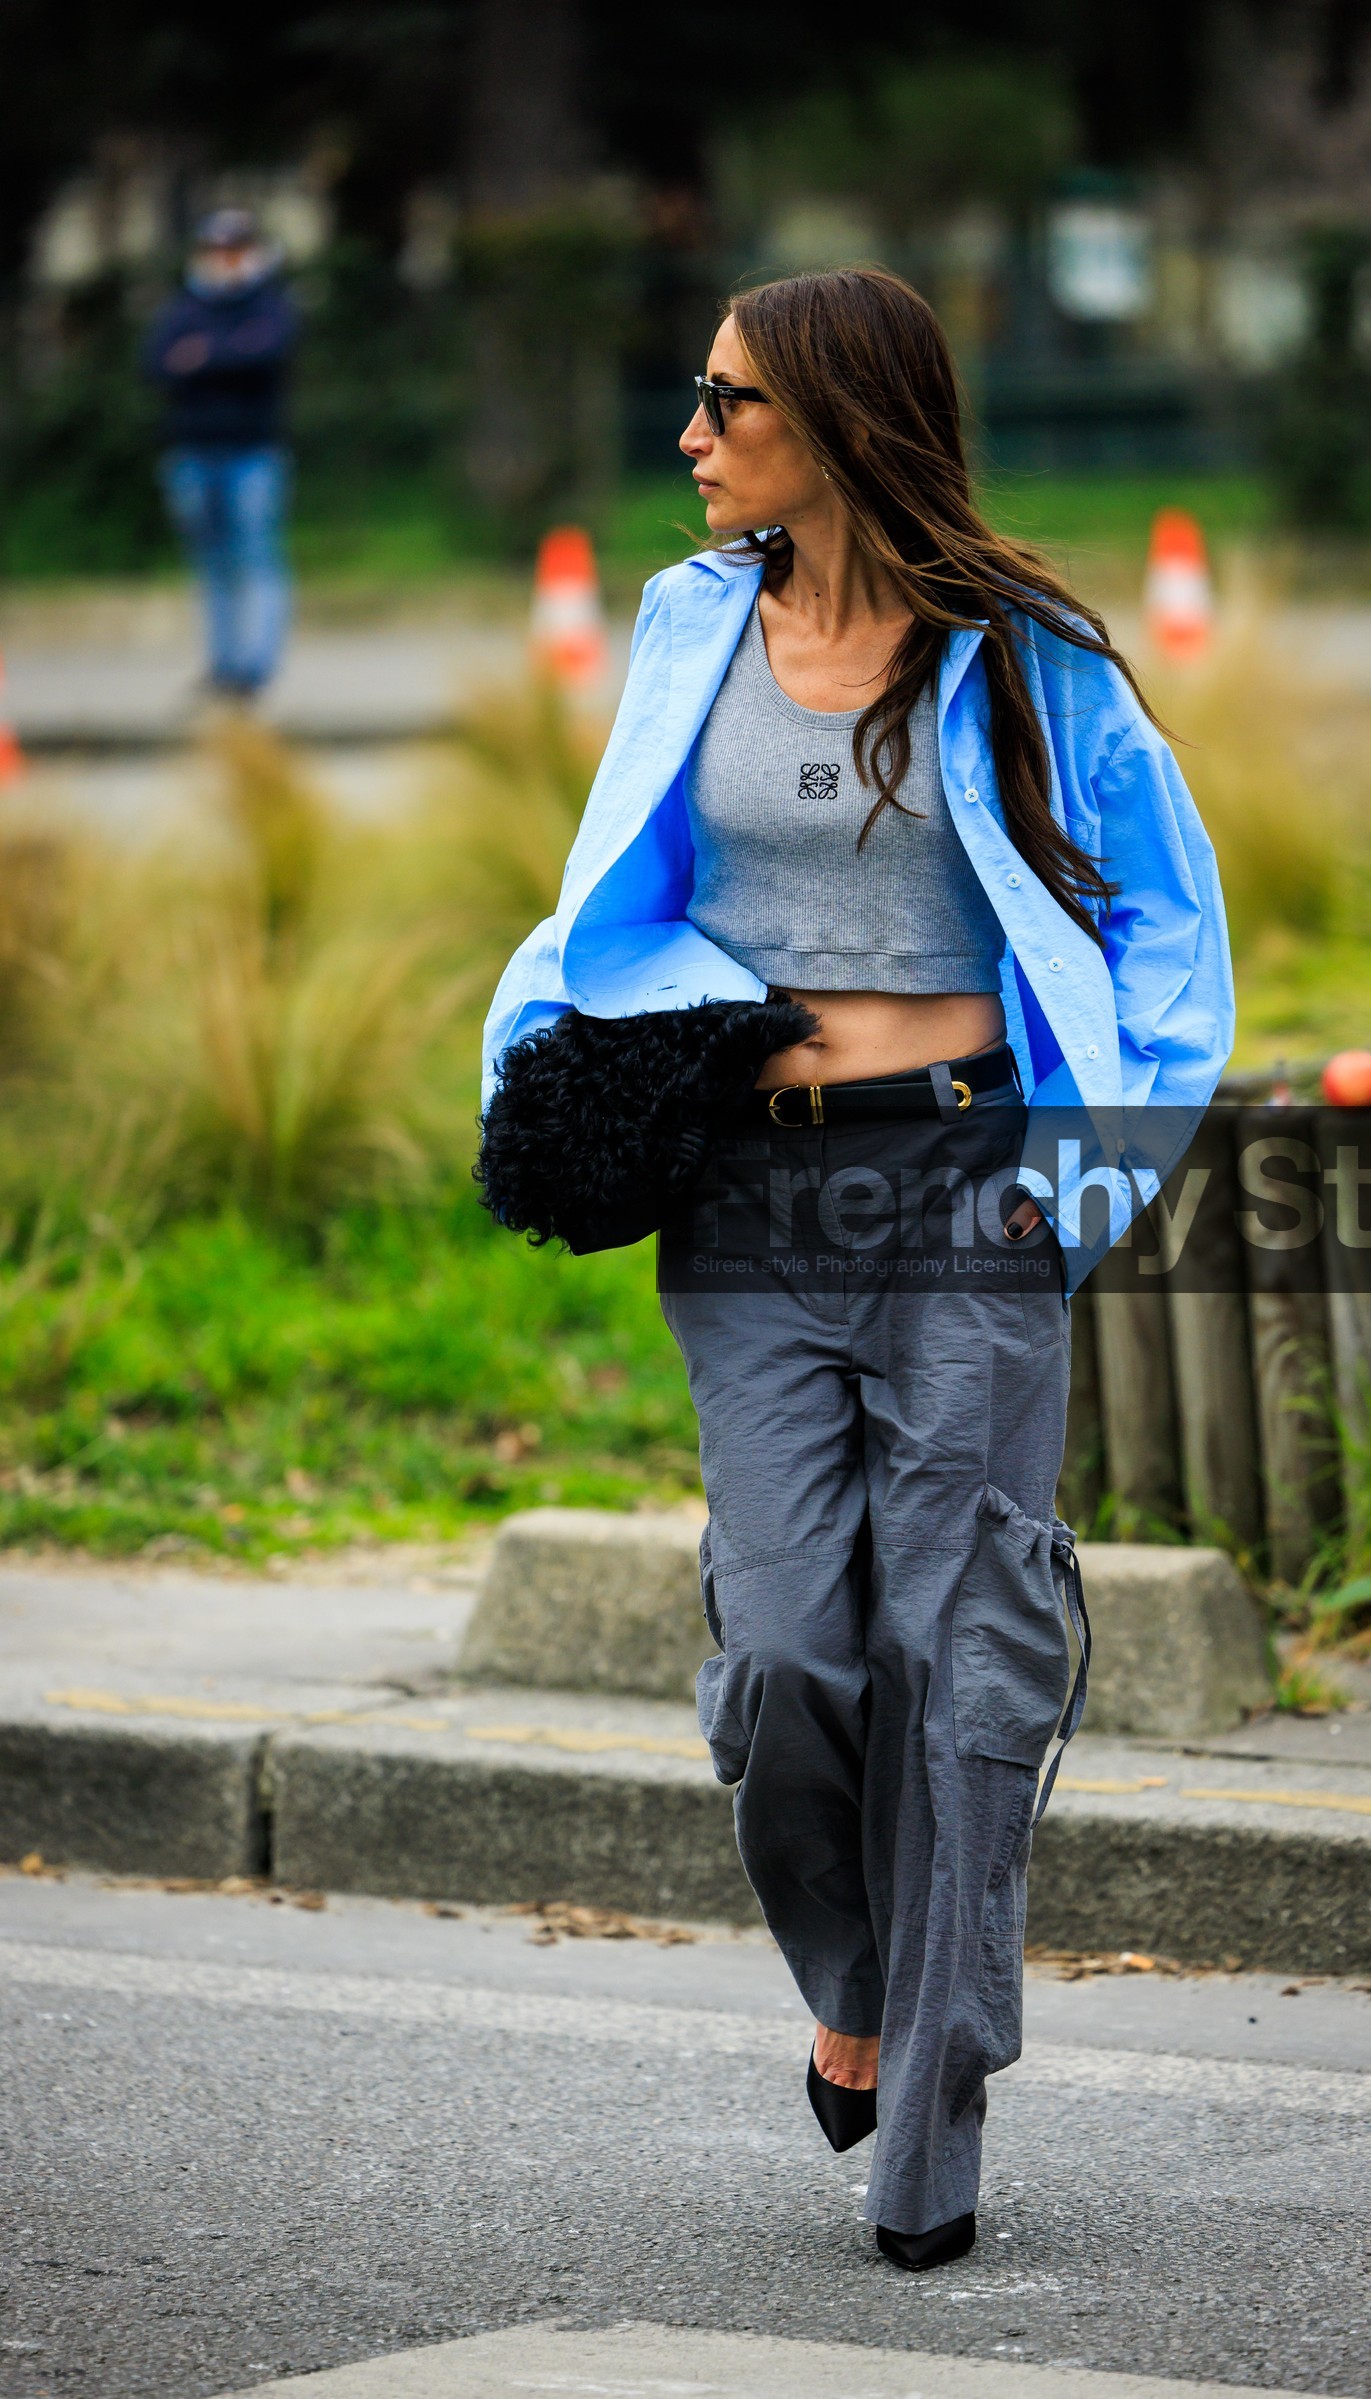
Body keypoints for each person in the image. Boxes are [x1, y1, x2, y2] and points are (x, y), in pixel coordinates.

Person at [482, 268, 1232, 2268]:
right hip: (747, 1197)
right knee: (792, 1642)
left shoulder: (1023, 655)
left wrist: (1071, 1186)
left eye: (724, 401)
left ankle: (937, 2082)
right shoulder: (681, 625)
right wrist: (530, 1068)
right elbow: (599, 892)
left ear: (832, 416)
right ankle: (852, 1969)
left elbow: (1171, 929)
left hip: (964, 1187)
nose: (690, 433)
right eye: (694, 398)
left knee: (952, 1631)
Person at [144, 207, 298, 700]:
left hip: (254, 452)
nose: (225, 260)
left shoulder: (271, 304)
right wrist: (227, 352)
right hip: (192, 451)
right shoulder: (184, 306)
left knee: (256, 558)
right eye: (217, 250)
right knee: (211, 565)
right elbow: (155, 365)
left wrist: (203, 356)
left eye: (235, 250)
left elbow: (268, 355)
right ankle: (224, 667)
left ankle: (257, 669)